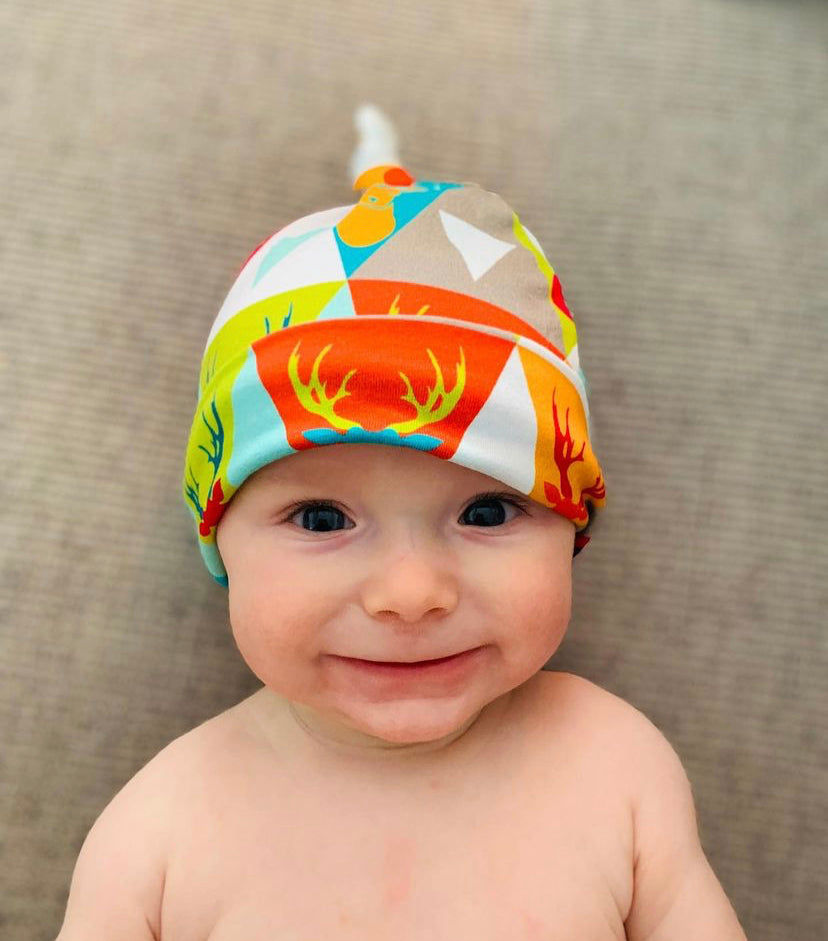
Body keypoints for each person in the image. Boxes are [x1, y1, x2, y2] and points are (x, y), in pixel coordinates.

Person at [55, 107, 748, 939]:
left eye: (487, 509)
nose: (411, 592)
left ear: (572, 525)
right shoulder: (157, 835)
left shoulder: (617, 769)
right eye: (320, 516)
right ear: (219, 543)